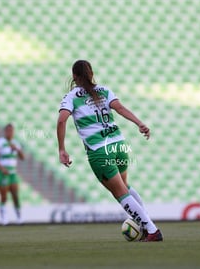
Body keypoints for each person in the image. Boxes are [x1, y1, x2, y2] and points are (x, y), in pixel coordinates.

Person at [57, 60, 163, 242]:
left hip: (100, 150)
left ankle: (151, 230)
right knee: (125, 186)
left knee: (120, 193)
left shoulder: (72, 96)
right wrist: (140, 123)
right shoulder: (104, 91)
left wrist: (61, 149)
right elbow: (120, 109)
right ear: (91, 74)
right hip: (119, 145)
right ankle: (146, 225)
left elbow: (61, 120)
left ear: (74, 76)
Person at [0, 124, 25, 225]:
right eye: (8, 131)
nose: (10, 133)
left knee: (15, 194)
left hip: (12, 173)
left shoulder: (15, 143)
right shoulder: (0, 143)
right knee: (4, 196)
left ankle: (19, 217)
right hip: (2, 173)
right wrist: (2, 168)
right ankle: (4, 218)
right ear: (5, 131)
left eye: (11, 131)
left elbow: (22, 157)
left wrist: (17, 149)